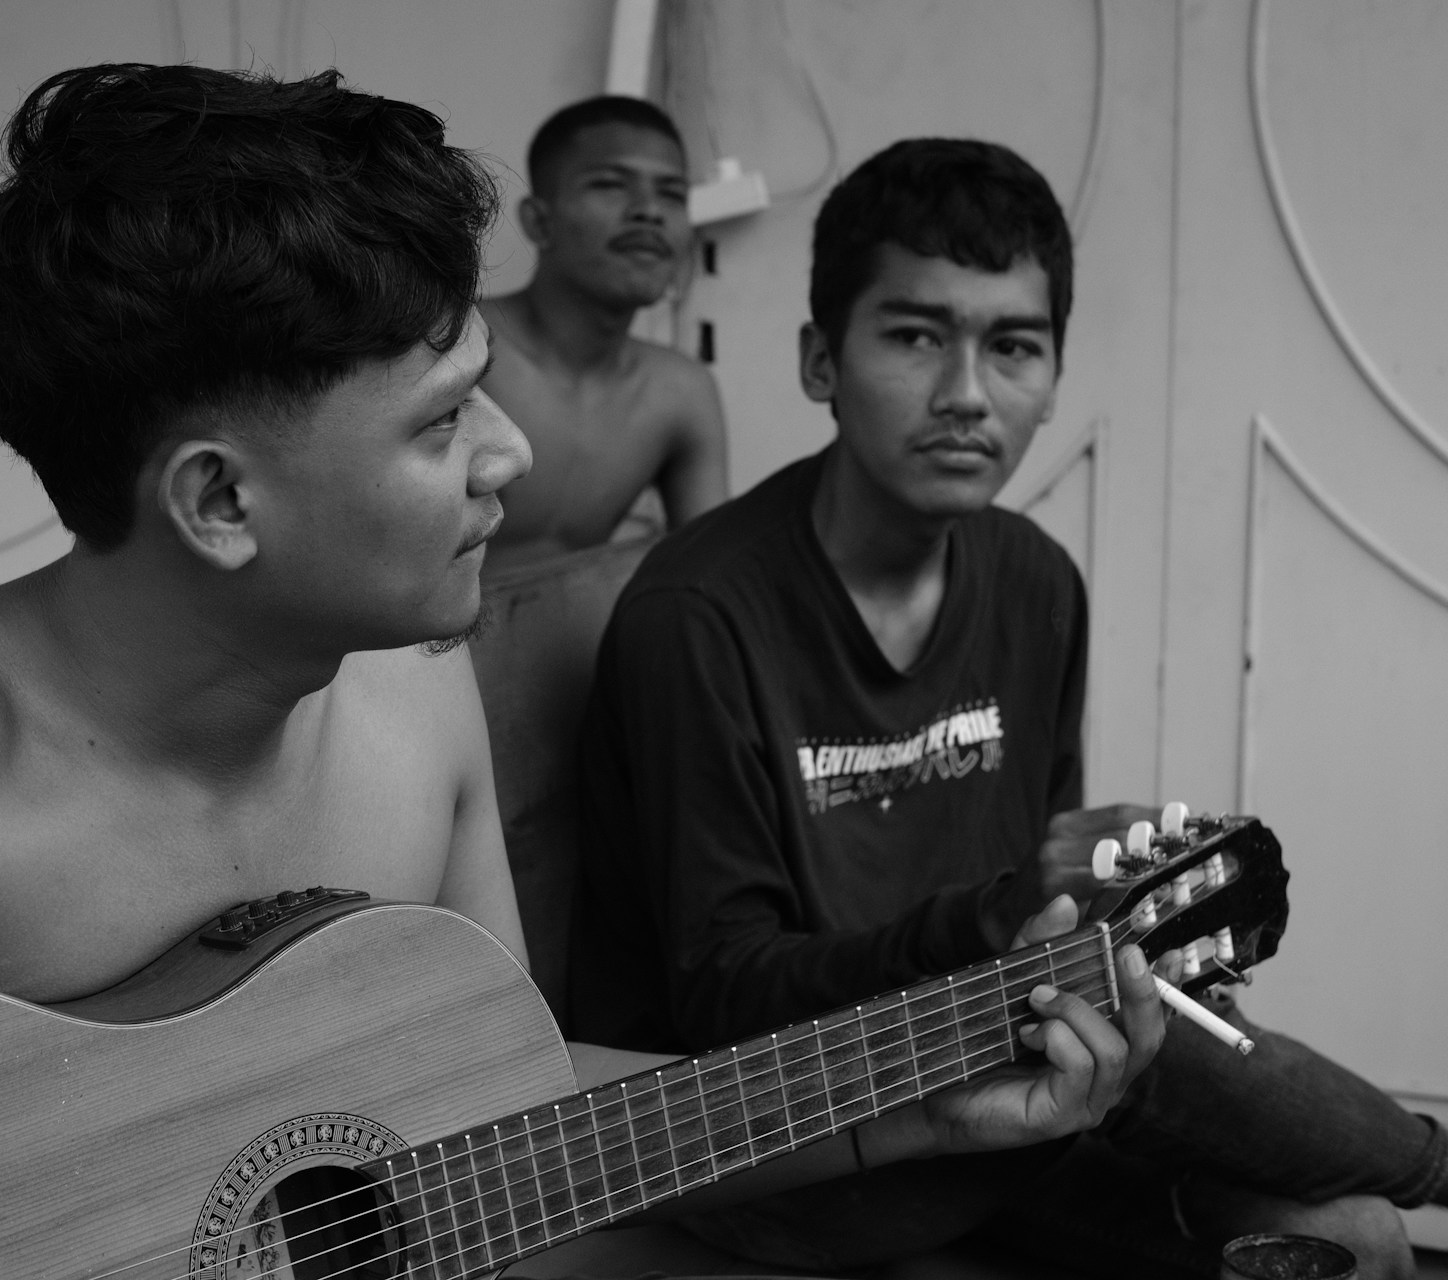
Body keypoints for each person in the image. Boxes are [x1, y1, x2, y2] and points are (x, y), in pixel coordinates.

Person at [0, 73, 1162, 1278]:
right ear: (222, 502)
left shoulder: (412, 703)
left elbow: (487, 1114)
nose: (513, 458)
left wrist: (907, 1118)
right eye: (445, 417)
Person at [572, 136, 1446, 1279]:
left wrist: (1079, 940)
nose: (967, 394)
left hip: (1005, 1089)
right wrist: (993, 924)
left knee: (1356, 1242)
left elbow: (1037, 908)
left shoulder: (1035, 580)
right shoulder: (698, 614)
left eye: (1014, 346)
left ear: (1051, 374)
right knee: (1175, 1063)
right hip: (789, 1147)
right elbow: (727, 997)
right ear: (820, 360)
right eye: (916, 335)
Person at [480, 96, 728, 571]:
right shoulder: (461, 346)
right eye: (611, 185)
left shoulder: (679, 392)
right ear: (539, 221)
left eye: (672, 194)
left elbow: (712, 574)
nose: (650, 212)